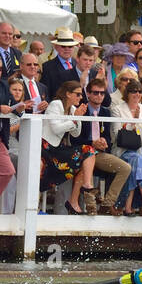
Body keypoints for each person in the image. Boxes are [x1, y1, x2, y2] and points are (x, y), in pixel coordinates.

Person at [76, 74, 130, 215]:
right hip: (82, 150)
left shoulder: (106, 111)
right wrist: (92, 142)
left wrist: (104, 142)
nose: (99, 96)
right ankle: (90, 204)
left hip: (99, 153)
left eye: (102, 93)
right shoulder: (81, 109)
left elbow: (107, 136)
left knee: (125, 168)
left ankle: (108, 203)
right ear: (88, 93)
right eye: (95, 93)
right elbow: (75, 137)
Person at [41, 79, 97, 214]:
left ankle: (83, 189)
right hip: (46, 148)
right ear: (68, 94)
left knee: (89, 154)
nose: (81, 97)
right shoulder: (55, 105)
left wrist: (77, 118)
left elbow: (76, 134)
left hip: (58, 149)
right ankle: (82, 191)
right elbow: (56, 129)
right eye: (77, 94)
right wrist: (74, 118)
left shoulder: (72, 109)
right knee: (87, 152)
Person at [111, 79, 142, 215]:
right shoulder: (117, 109)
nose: (137, 94)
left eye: (140, 92)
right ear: (127, 93)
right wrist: (133, 121)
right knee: (136, 160)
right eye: (133, 91)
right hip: (123, 151)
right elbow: (116, 135)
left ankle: (128, 205)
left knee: (137, 160)